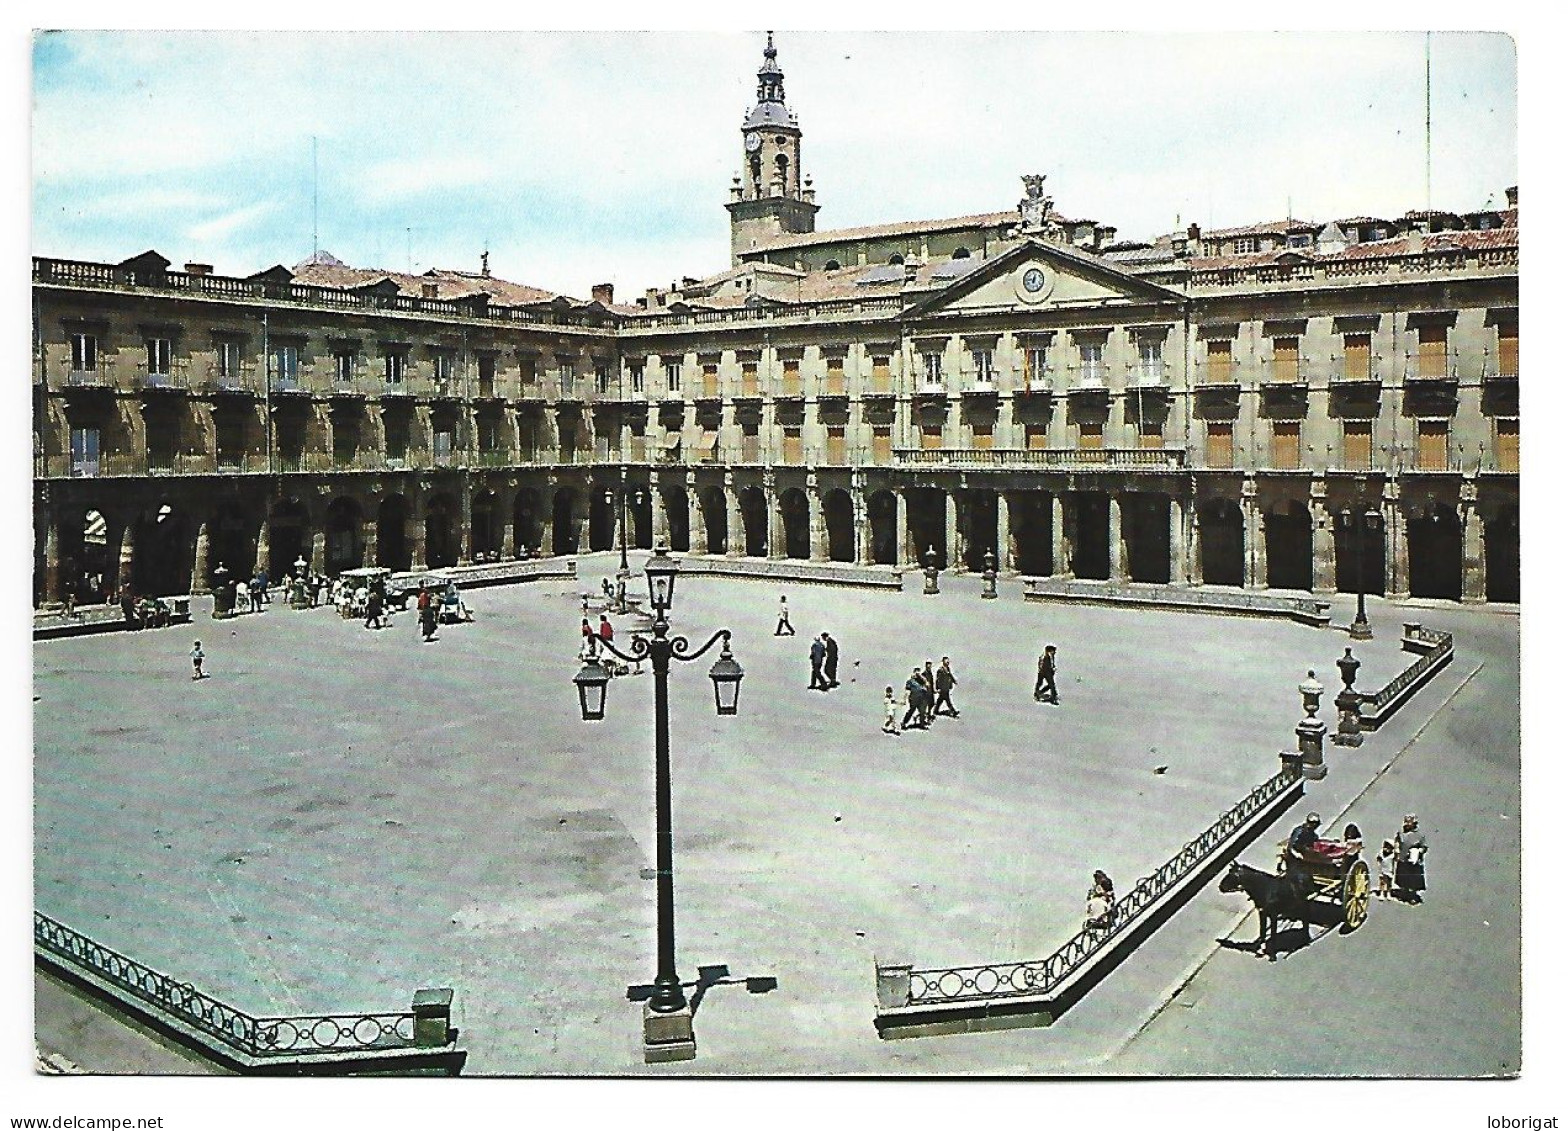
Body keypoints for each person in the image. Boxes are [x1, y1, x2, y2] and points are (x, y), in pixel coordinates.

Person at [1394, 814, 1428, 903]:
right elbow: (1397, 841)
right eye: (1405, 821)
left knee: (1413, 878)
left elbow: (1424, 847)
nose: (1406, 824)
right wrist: (1397, 850)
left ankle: (1412, 894)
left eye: (1408, 822)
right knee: (1403, 876)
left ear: (1414, 823)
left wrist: (1418, 851)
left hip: (1414, 861)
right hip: (1403, 858)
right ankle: (1404, 892)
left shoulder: (1419, 835)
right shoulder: (1401, 832)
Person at [1285, 812, 1323, 885]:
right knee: (1298, 877)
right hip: (1294, 859)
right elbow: (1290, 847)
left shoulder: (1313, 835)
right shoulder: (1299, 831)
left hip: (1305, 857)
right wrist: (1297, 854)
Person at [919, 661, 937, 726]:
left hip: (930, 692)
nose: (929, 667)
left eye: (930, 666)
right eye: (928, 666)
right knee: (925, 706)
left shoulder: (930, 674)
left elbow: (932, 683)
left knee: (931, 704)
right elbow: (921, 684)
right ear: (926, 666)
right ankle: (924, 719)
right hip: (925, 693)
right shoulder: (923, 674)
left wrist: (934, 690)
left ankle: (928, 715)